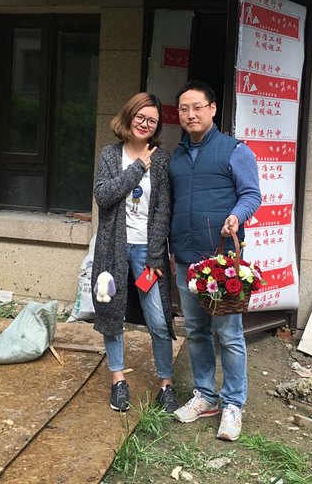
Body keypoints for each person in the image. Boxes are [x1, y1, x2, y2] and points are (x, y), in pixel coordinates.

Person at [169, 80, 261, 441]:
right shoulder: (176, 156)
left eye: (197, 107)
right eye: (183, 108)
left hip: (221, 261)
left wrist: (236, 216)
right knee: (195, 330)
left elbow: (251, 194)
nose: (190, 114)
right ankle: (206, 396)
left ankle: (233, 403)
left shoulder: (234, 150)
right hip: (186, 258)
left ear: (212, 109)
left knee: (229, 334)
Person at [91, 92, 178, 414]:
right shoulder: (110, 155)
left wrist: (156, 256)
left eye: (152, 120)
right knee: (111, 314)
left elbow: (163, 209)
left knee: (159, 319)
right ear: (129, 117)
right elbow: (103, 196)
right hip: (112, 249)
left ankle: (166, 384)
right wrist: (138, 168)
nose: (145, 124)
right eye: (140, 117)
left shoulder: (162, 158)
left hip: (147, 251)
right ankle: (118, 379)